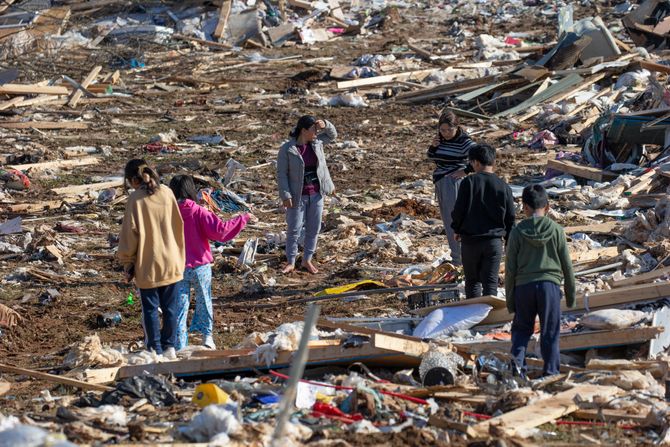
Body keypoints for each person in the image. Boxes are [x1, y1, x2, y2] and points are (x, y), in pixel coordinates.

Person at [169, 175, 255, 350]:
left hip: (177, 268)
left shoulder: (168, 214)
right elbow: (221, 232)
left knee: (179, 307)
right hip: (200, 266)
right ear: (190, 190)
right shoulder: (200, 211)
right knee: (204, 301)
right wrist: (243, 218)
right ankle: (207, 337)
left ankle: (179, 344)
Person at [117, 159, 185, 360]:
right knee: (171, 308)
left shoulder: (135, 200)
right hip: (172, 260)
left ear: (132, 180)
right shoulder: (167, 193)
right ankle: (170, 347)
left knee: (150, 309)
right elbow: (178, 225)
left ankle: (154, 348)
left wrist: (127, 262)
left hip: (148, 263)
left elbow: (130, 234)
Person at [505, 184, 575, 377]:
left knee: (521, 331)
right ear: (548, 206)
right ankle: (550, 372)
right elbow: (567, 265)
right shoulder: (556, 230)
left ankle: (517, 369)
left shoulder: (517, 232)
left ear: (524, 207)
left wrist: (510, 301)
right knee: (550, 332)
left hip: (523, 288)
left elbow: (510, 269)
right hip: (549, 286)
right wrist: (571, 296)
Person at [451, 144, 515, 298]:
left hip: (470, 241)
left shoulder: (468, 182)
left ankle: (473, 318)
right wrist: (509, 240)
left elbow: (459, 210)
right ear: (493, 161)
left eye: (471, 163)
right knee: (490, 282)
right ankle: (490, 317)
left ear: (476, 163)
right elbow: (510, 218)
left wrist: (456, 229)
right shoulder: (503, 186)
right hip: (493, 243)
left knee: (472, 282)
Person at [277, 115, 337, 274]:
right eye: (313, 129)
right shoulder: (287, 149)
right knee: (294, 229)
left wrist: (326, 124)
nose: (316, 132)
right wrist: (285, 195)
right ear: (303, 131)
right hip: (298, 196)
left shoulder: (317, 143)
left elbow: (333, 135)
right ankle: (290, 261)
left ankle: (307, 260)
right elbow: (281, 174)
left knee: (313, 228)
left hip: (317, 194)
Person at [427, 110, 477, 266]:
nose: (446, 133)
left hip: (454, 183)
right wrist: (433, 147)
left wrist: (466, 170)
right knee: (449, 221)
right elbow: (432, 157)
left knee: (455, 222)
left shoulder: (464, 142)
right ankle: (459, 257)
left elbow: (481, 156)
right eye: (442, 130)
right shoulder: (440, 139)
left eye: (449, 130)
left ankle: (460, 260)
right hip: (442, 181)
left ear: (457, 127)